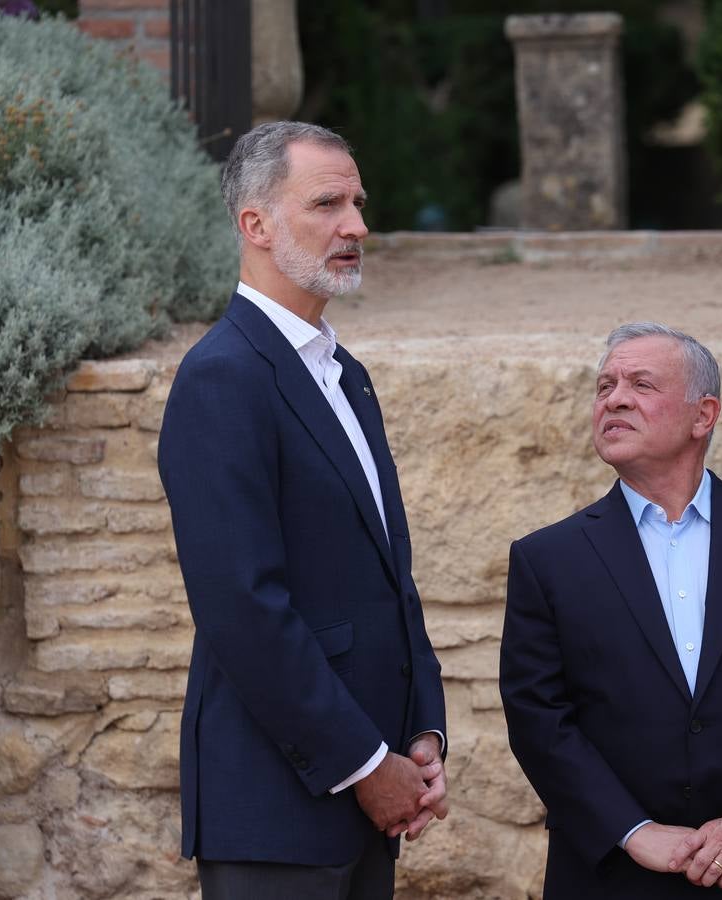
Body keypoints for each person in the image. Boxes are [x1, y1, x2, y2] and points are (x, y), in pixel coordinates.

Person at [157, 121, 447, 900]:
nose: (356, 225)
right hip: (277, 811)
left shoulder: (343, 373)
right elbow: (244, 608)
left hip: (373, 795)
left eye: (357, 202)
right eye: (327, 203)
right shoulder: (222, 378)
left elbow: (389, 576)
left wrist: (421, 733)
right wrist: (363, 763)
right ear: (255, 224)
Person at [500, 322, 722, 898]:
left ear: (703, 415)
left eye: (641, 384)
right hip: (611, 873)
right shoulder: (547, 559)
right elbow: (538, 716)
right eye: (605, 386)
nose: (614, 398)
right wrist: (632, 831)